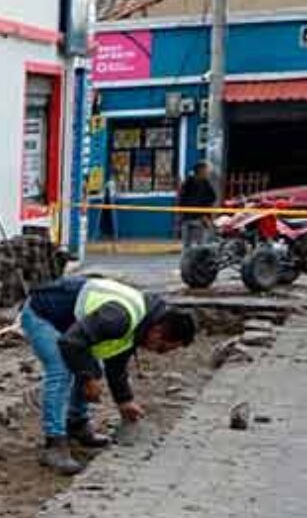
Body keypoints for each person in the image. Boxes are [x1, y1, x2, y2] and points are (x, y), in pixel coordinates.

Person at [19, 275, 197, 475]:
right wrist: (88, 378)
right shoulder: (119, 318)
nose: (158, 353)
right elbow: (70, 343)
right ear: (157, 332)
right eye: (163, 348)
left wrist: (125, 401)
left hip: (71, 327)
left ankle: (76, 424)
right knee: (62, 370)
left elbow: (116, 362)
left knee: (91, 364)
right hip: (43, 314)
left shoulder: (141, 324)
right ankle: (54, 444)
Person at [177, 161, 218, 249]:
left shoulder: (190, 182)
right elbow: (208, 198)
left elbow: (182, 199)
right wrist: (203, 215)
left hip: (189, 217)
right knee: (199, 245)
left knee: (189, 245)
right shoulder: (200, 183)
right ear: (201, 170)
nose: (208, 172)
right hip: (196, 218)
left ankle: (189, 260)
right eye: (207, 170)